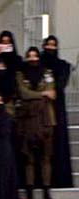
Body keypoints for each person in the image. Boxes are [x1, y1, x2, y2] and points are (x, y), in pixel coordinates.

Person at [17, 47, 57, 199]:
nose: (33, 59)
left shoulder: (47, 73)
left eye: (35, 56)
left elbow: (52, 93)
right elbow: (23, 93)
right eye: (29, 56)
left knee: (46, 157)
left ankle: (47, 192)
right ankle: (30, 194)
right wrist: (42, 95)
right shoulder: (20, 74)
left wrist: (37, 96)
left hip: (47, 120)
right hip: (27, 120)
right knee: (29, 159)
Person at [41, 36, 73, 190]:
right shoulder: (37, 64)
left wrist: (52, 89)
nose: (50, 48)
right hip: (40, 107)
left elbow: (61, 84)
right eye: (48, 45)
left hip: (57, 106)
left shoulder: (63, 66)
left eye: (53, 45)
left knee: (58, 141)